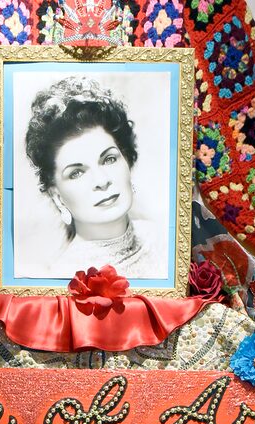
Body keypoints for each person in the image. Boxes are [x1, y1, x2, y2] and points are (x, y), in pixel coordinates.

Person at [24, 76, 160, 280]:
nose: (102, 181)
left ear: (126, 159)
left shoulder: (165, 240)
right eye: (76, 173)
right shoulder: (62, 278)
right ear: (57, 197)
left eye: (109, 159)